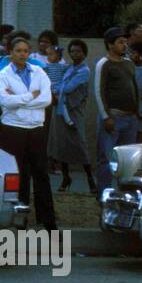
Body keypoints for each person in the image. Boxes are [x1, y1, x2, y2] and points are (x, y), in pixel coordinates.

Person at [0, 36, 56, 230]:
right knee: (18, 174)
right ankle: (20, 220)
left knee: (41, 174)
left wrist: (19, 100)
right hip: (13, 128)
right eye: (18, 51)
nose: (22, 54)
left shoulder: (38, 71)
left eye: (25, 51)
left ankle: (47, 220)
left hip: (36, 128)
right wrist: (31, 96)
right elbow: (6, 102)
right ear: (10, 53)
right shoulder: (3, 74)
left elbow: (46, 99)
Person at [94, 26, 139, 193]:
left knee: (128, 159)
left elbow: (133, 87)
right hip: (114, 117)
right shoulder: (104, 64)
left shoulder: (129, 63)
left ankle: (124, 194)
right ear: (110, 45)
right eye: (120, 42)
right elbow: (99, 91)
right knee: (106, 158)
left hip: (130, 118)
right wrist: (106, 117)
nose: (124, 45)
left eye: (125, 42)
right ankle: (104, 194)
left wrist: (136, 112)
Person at [48, 39, 94, 193]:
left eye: (78, 51)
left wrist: (56, 90)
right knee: (62, 145)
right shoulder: (69, 68)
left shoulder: (84, 71)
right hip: (61, 110)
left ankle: (90, 179)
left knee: (80, 144)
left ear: (84, 53)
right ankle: (66, 177)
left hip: (74, 112)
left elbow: (68, 87)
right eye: (72, 51)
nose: (75, 54)